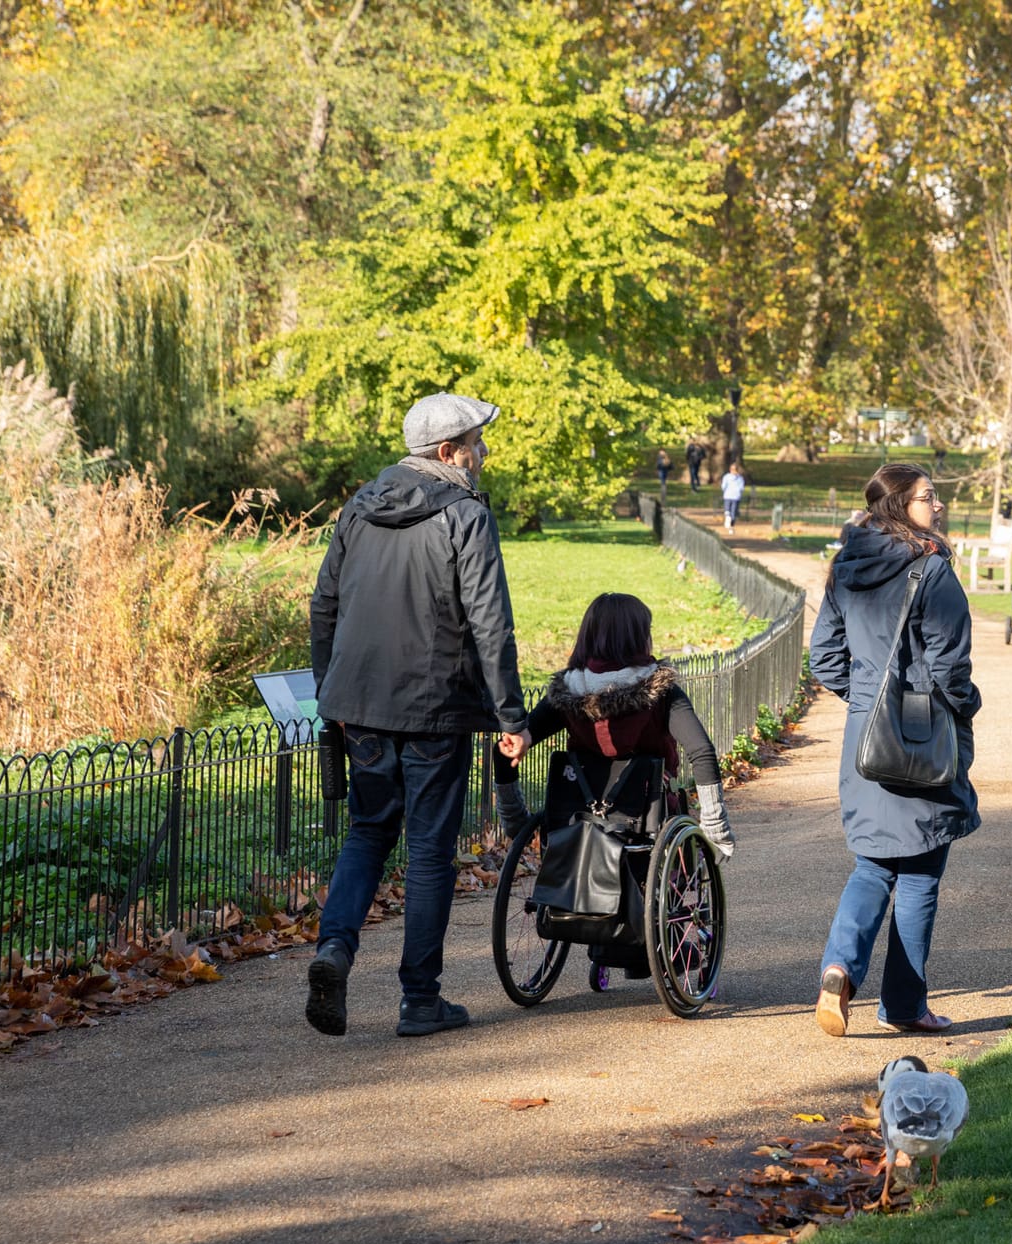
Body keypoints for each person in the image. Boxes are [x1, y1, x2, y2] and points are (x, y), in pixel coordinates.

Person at [306, 392, 530, 1039]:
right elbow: (492, 624)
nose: (482, 454)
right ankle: (419, 999)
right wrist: (510, 716)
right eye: (475, 444)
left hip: (362, 708)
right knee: (430, 851)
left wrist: (332, 695)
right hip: (435, 708)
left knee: (368, 833)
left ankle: (335, 947)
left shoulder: (360, 507)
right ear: (446, 452)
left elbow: (323, 605)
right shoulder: (464, 514)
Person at [809, 464, 980, 1038]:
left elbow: (825, 658)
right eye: (929, 497)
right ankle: (905, 1005)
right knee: (922, 871)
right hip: (922, 732)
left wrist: (866, 700)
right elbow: (952, 667)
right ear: (899, 505)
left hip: (865, 736)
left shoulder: (845, 567)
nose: (939, 506)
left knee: (873, 864)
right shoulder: (932, 569)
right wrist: (965, 705)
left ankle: (838, 968)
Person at [490, 593, 736, 979]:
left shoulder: (567, 694)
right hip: (648, 818)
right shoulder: (659, 690)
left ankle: (605, 943)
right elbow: (701, 752)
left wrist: (516, 822)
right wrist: (716, 829)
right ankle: (669, 948)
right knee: (673, 832)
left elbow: (507, 748)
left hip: (576, 824)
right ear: (640, 638)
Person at [720, 461, 748, 533]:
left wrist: (725, 491)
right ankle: (731, 527)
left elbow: (723, 486)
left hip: (727, 495)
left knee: (727, 509)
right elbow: (741, 488)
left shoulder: (726, 477)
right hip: (736, 496)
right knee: (733, 512)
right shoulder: (740, 478)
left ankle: (727, 517)